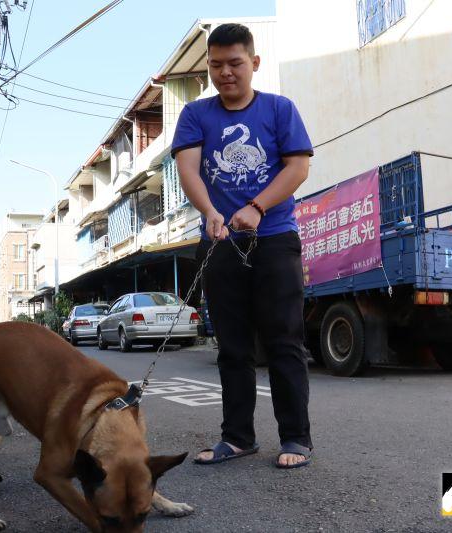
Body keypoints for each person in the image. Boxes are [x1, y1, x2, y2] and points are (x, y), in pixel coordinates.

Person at [171, 23, 313, 469]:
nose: (225, 73)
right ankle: (237, 438)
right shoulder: (196, 114)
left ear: (253, 62)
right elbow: (189, 171)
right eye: (216, 65)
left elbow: (297, 168)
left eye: (235, 63)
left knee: (283, 340)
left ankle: (295, 439)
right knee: (232, 346)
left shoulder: (278, 109)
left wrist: (256, 206)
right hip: (220, 241)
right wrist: (211, 212)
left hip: (274, 239)